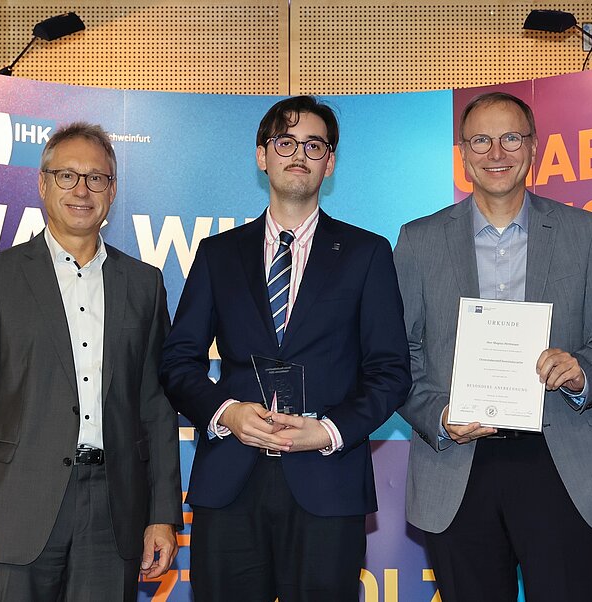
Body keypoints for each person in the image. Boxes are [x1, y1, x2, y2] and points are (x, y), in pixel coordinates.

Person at [160, 95, 411, 601]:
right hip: (231, 480)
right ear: (262, 155)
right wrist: (226, 412)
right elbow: (177, 361)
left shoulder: (367, 254)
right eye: (285, 142)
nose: (299, 154)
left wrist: (329, 429)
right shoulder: (217, 254)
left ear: (330, 161)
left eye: (313, 145)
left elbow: (390, 372)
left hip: (328, 481)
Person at [394, 91, 592, 601]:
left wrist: (581, 369)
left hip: (557, 458)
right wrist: (439, 414)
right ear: (463, 154)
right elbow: (399, 356)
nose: (496, 152)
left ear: (534, 148)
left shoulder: (583, 232)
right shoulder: (418, 240)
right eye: (480, 140)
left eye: (511, 138)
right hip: (457, 462)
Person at [0, 122, 183, 600]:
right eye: (67, 175)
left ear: (111, 191)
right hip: (16, 508)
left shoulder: (144, 284)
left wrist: (161, 514)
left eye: (97, 178)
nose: (82, 190)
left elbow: (156, 408)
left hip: (114, 511)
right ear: (43, 183)